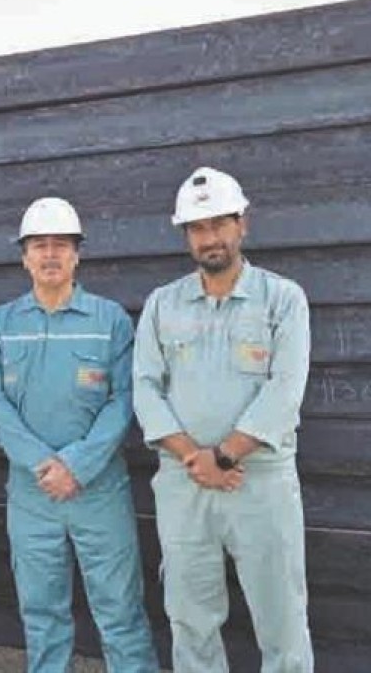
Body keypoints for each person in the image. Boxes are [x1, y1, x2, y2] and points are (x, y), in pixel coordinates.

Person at [134, 167, 313, 673]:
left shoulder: (283, 299)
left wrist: (226, 456)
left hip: (260, 482)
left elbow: (285, 391)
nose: (209, 237)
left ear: (242, 224)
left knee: (281, 618)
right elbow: (144, 388)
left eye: (218, 223)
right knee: (190, 618)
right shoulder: (162, 305)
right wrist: (196, 458)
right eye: (197, 227)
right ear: (185, 235)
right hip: (184, 482)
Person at [0, 198, 157, 672]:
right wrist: (44, 464)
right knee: (42, 616)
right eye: (39, 245)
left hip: (98, 490)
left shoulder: (109, 320)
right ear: (24, 256)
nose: (50, 254)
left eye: (61, 245)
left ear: (77, 254)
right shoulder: (1, 324)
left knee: (120, 612)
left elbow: (124, 400)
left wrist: (76, 465)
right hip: (31, 492)